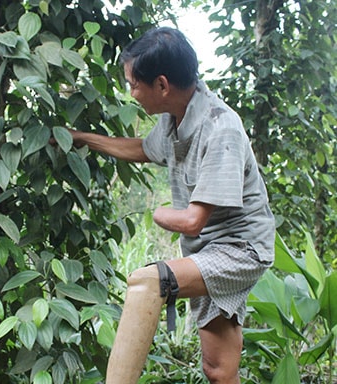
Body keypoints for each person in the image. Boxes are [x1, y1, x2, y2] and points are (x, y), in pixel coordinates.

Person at [67, 27, 275, 383]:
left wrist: (159, 213)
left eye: (134, 84)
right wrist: (80, 139)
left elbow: (193, 220)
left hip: (241, 249)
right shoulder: (172, 120)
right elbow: (142, 150)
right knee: (219, 370)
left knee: (149, 282)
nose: (131, 93)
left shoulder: (220, 127)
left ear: (161, 85)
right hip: (207, 250)